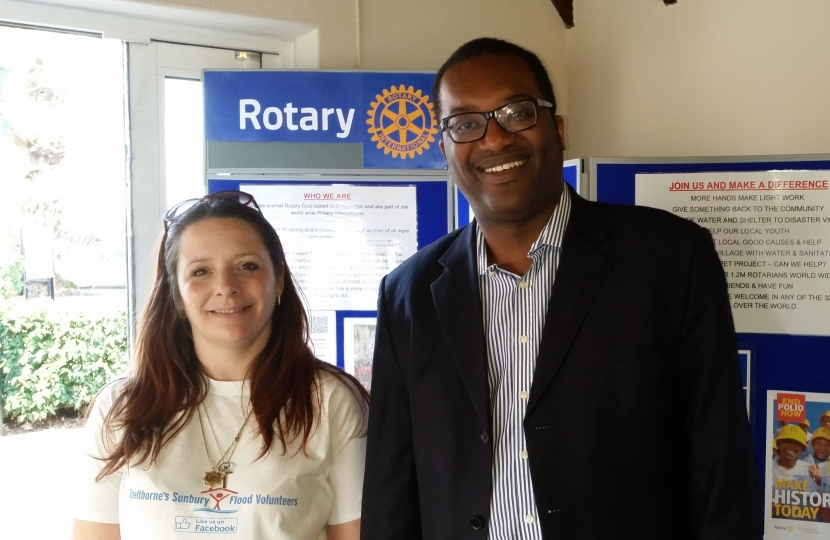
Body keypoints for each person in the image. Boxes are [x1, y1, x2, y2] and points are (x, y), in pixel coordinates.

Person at [362, 38, 761, 540]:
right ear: (444, 149)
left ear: (558, 129)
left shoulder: (670, 259)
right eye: (465, 124)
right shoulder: (408, 293)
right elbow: (390, 483)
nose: (493, 139)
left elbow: (719, 459)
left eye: (516, 111)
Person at [73, 191, 368, 540]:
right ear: (177, 296)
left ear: (280, 280)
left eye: (247, 266)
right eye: (201, 271)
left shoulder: (330, 401)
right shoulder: (121, 407)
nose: (226, 287)